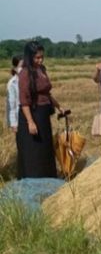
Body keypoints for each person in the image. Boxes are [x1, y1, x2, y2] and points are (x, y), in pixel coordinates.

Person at [17, 41, 64, 178]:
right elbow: (24, 101)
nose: (40, 60)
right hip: (32, 114)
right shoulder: (25, 73)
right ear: (29, 57)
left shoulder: (42, 69)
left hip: (43, 114)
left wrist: (59, 106)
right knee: (35, 150)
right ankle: (35, 179)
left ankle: (48, 177)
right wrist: (30, 122)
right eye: (37, 58)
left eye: (42, 57)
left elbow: (46, 93)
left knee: (45, 148)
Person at [6, 56, 22, 133]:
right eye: (21, 66)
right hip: (19, 118)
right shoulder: (12, 83)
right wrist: (14, 124)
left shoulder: (30, 80)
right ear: (15, 68)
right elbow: (11, 106)